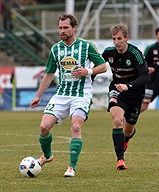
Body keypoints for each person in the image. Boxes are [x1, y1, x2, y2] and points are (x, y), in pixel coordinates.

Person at [30, 13, 107, 177]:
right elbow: (49, 74)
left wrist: (88, 71)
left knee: (76, 126)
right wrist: (38, 96)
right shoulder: (56, 49)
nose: (62, 31)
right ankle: (48, 156)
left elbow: (103, 66)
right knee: (44, 127)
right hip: (61, 94)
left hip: (81, 94)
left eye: (65, 27)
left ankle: (71, 167)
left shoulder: (86, 46)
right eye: (60, 28)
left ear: (74, 28)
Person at [102, 23, 150, 170]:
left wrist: (128, 85)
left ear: (126, 38)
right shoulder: (109, 52)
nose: (116, 42)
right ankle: (120, 160)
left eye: (119, 39)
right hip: (117, 91)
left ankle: (127, 138)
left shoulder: (135, 53)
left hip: (135, 93)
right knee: (117, 121)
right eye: (114, 39)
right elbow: (97, 64)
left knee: (128, 131)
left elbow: (146, 76)